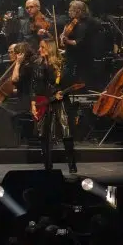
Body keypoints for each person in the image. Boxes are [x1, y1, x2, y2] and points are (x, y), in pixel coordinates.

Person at [27, 37, 80, 174]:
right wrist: (33, 103)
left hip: (60, 101)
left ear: (50, 48)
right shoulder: (38, 63)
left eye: (42, 47)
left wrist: (59, 92)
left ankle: (72, 165)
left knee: (66, 132)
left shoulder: (62, 64)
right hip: (45, 101)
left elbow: (67, 82)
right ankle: (47, 166)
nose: (39, 50)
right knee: (44, 135)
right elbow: (34, 85)